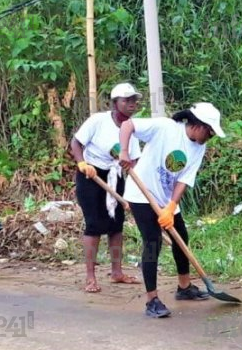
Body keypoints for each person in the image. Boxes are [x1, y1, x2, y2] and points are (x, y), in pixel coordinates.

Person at [118, 102, 225, 318]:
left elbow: (184, 179)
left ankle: (184, 288)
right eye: (210, 130)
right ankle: (152, 300)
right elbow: (128, 125)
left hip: (165, 199)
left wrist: (172, 206)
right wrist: (124, 151)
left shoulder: (199, 147)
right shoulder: (165, 127)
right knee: (152, 242)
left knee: (181, 238)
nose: (211, 135)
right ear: (198, 125)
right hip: (141, 194)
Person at [70, 82, 143, 293]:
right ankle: (90, 277)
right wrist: (82, 163)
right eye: (126, 100)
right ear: (115, 103)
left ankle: (117, 272)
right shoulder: (98, 121)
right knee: (94, 225)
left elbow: (134, 161)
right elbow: (76, 143)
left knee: (116, 225)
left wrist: (134, 191)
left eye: (134, 101)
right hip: (91, 175)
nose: (131, 104)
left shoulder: (133, 127)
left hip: (116, 175)